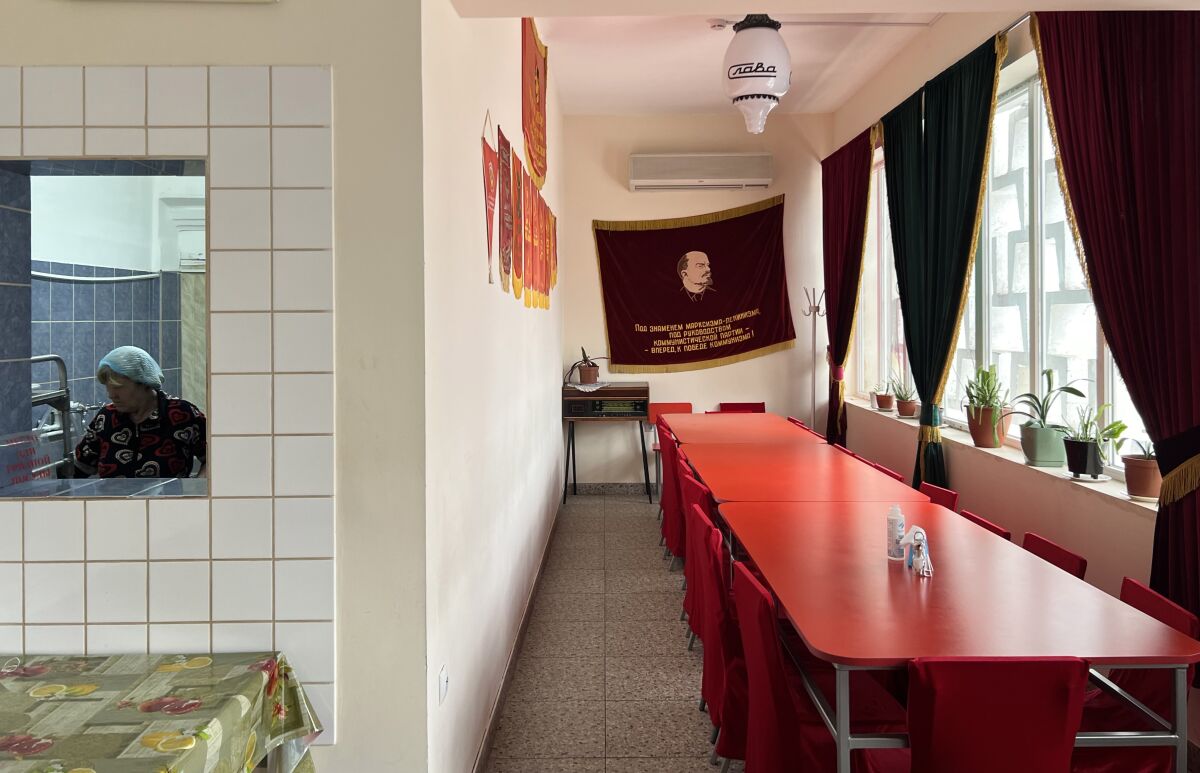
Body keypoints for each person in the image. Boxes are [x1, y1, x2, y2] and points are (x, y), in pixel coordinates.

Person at [73, 346, 206, 479]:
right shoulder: (106, 418)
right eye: (108, 387)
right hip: (116, 499)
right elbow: (80, 469)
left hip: (167, 499)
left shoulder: (182, 414)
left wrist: (199, 488)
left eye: (118, 388)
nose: (111, 395)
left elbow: (216, 458)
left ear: (143, 382)